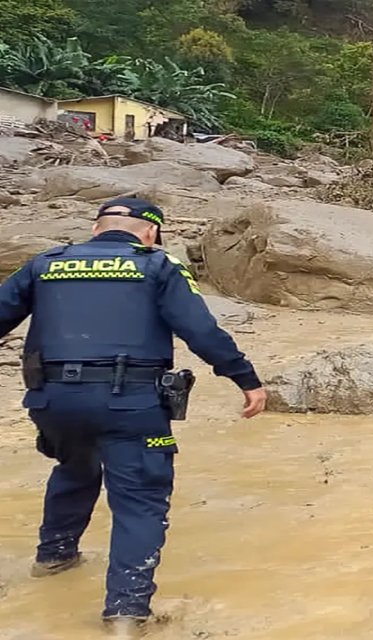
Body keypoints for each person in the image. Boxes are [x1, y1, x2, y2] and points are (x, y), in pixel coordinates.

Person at [0, 197, 268, 633]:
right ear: (151, 232)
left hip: (52, 402)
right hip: (130, 402)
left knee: (74, 467)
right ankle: (125, 612)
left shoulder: (46, 263)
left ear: (96, 227)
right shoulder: (157, 265)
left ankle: (54, 557)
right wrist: (246, 379)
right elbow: (201, 330)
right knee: (140, 502)